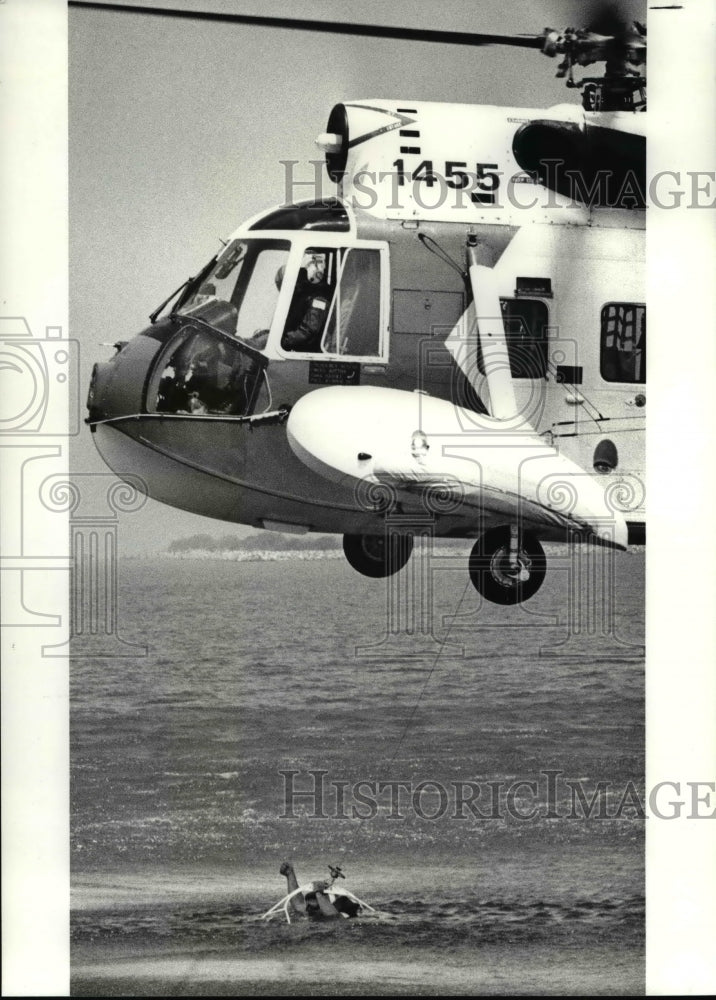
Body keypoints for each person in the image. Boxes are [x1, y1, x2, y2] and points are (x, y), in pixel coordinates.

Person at [279, 862, 361, 920]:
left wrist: (318, 892)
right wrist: (290, 874)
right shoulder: (310, 910)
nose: (307, 907)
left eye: (309, 904)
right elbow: (298, 904)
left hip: (342, 911)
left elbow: (333, 917)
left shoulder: (339, 906)